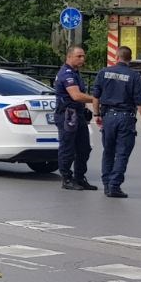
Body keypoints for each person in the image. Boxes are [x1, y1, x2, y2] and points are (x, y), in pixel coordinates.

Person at [92, 46, 141, 199]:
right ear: (129, 59)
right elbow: (140, 101)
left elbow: (95, 96)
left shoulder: (103, 72)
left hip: (108, 116)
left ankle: (106, 184)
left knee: (108, 151)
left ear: (116, 57)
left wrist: (96, 114)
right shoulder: (133, 76)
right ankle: (114, 185)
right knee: (122, 153)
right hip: (125, 118)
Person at [53, 45, 99, 191]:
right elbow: (76, 96)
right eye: (79, 56)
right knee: (68, 148)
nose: (82, 59)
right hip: (67, 115)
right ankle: (66, 178)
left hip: (77, 114)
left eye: (83, 56)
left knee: (84, 148)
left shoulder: (75, 73)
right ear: (69, 56)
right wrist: (97, 100)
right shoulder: (66, 73)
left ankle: (79, 177)